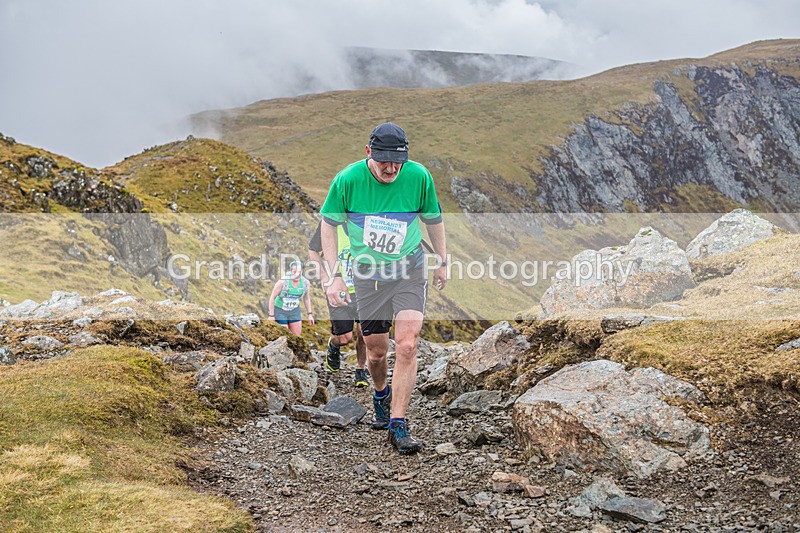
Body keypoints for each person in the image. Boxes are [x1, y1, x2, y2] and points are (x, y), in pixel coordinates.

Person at [319, 122, 447, 455]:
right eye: (383, 161)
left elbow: (433, 220)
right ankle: (380, 392)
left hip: (410, 270)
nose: (391, 168)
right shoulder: (347, 181)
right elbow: (329, 226)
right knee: (376, 352)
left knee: (406, 345)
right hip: (369, 278)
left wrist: (444, 261)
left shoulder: (419, 177)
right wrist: (333, 276)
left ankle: (398, 425)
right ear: (368, 153)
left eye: (397, 161)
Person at [308, 221, 369, 387]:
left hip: (366, 291)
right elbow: (313, 250)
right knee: (344, 338)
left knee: (365, 333)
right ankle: (333, 345)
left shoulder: (368, 219)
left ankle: (361, 370)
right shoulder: (331, 222)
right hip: (338, 290)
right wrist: (324, 277)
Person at [267, 260, 315, 335]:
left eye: (299, 272)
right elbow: (272, 297)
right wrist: (271, 315)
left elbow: (306, 298)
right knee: (284, 334)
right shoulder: (283, 282)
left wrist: (309, 314)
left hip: (294, 311)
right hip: (280, 311)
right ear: (291, 271)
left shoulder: (305, 283)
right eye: (294, 272)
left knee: (296, 337)